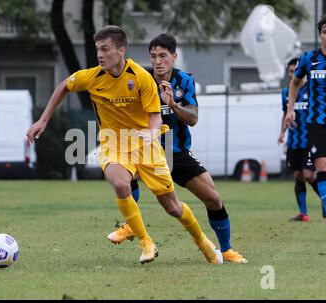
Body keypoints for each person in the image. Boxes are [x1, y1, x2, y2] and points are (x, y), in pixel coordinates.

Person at [26, 26, 222, 264]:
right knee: (120, 184)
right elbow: (64, 86)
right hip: (113, 145)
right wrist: (43, 120)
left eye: (105, 49)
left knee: (172, 207)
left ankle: (203, 242)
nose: (100, 54)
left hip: (145, 146)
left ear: (121, 50)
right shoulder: (91, 76)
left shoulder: (140, 77)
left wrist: (150, 135)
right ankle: (146, 243)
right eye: (98, 49)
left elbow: (155, 115)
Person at [107, 33, 247, 263]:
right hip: (145, 150)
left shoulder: (184, 81)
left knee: (212, 198)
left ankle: (226, 249)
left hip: (176, 151)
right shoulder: (141, 79)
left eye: (163, 56)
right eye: (153, 56)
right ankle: (130, 226)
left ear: (174, 56)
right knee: (124, 172)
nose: (157, 61)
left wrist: (172, 104)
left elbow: (193, 118)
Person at [285, 16, 326, 235]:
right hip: (317, 123)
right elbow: (295, 83)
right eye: (325, 32)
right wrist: (290, 109)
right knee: (323, 170)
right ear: (320, 35)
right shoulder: (309, 59)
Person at [278, 58, 325, 221]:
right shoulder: (286, 92)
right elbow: (285, 114)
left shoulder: (312, 90)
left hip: (310, 140)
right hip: (294, 142)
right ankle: (303, 213)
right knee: (298, 175)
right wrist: (282, 133)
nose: (294, 74)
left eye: (296, 70)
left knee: (309, 175)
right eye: (290, 71)